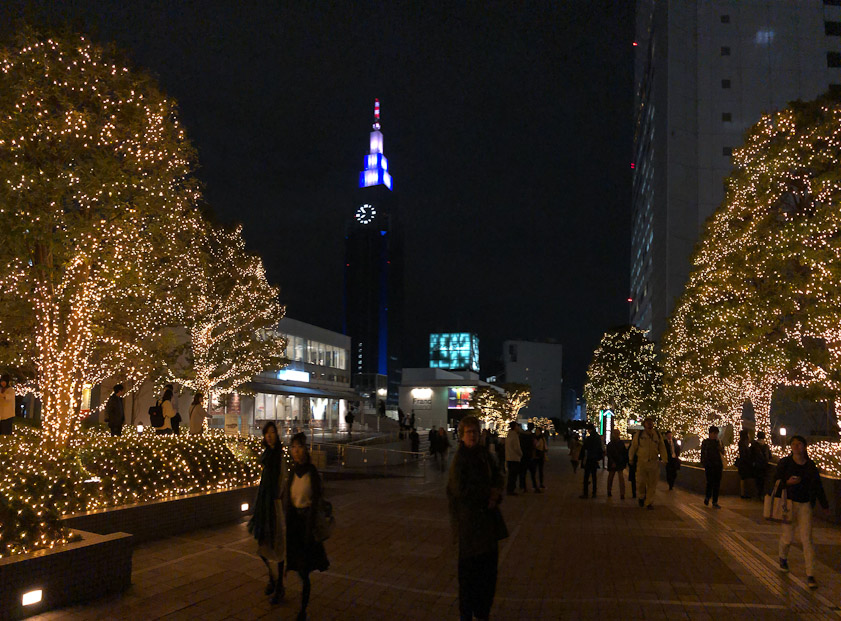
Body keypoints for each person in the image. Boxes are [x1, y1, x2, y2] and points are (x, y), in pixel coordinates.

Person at [447, 415, 507, 621]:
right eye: (468, 432)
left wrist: (497, 492)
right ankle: (467, 615)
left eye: (475, 431)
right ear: (462, 436)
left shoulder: (486, 456)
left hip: (488, 527)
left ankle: (483, 613)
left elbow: (499, 475)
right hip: (469, 529)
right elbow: (459, 491)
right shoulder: (459, 460)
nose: (472, 435)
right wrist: (487, 495)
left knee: (488, 578)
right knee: (468, 579)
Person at [773, 435, 829, 589]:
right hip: (788, 504)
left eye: (799, 444)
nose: (796, 447)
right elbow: (775, 481)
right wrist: (787, 482)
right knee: (787, 537)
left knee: (807, 539)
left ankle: (810, 574)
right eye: (794, 444)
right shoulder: (785, 463)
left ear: (804, 447)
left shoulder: (810, 465)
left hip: (805, 505)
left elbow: (818, 486)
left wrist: (824, 505)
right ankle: (783, 557)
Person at [285, 432, 330, 620]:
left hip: (307, 528)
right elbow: (289, 500)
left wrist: (310, 526)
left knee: (304, 571)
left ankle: (303, 610)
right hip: (294, 526)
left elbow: (317, 500)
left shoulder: (312, 472)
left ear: (306, 449)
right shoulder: (292, 472)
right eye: (293, 447)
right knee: (298, 569)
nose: (296, 451)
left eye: (299, 447)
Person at [248, 421, 290, 605]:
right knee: (262, 546)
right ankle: (273, 579)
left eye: (272, 432)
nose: (270, 435)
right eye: (267, 433)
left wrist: (277, 499)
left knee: (278, 545)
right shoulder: (266, 455)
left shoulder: (279, 456)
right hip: (264, 504)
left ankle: (279, 584)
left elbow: (282, 479)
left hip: (274, 504)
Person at [629, 416, 666, 509]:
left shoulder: (657, 434)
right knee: (641, 482)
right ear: (644, 424)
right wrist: (631, 458)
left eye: (651, 422)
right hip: (642, 462)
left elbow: (662, 447)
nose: (650, 424)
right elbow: (634, 446)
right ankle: (641, 496)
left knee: (652, 484)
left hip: (653, 462)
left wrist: (665, 458)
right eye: (648, 422)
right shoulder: (640, 434)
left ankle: (649, 502)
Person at [700, 426, 725, 508]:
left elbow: (723, 452)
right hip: (709, 465)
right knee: (709, 482)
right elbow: (703, 453)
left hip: (718, 466)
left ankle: (715, 501)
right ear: (710, 433)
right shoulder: (706, 442)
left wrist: (720, 447)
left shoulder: (719, 442)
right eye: (714, 434)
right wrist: (704, 463)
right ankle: (707, 497)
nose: (715, 435)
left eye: (716, 434)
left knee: (717, 483)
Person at [579, 423, 603, 499]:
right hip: (595, 458)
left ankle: (586, 493)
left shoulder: (589, 438)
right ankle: (594, 493)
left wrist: (581, 457)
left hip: (589, 458)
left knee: (586, 476)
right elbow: (600, 448)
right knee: (594, 476)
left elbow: (585, 447)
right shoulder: (598, 437)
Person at [606, 428, 628, 499]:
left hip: (617, 462)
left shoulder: (611, 444)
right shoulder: (619, 443)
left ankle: (612, 491)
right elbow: (624, 453)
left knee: (613, 477)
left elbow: (609, 453)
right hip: (618, 462)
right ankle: (621, 493)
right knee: (617, 478)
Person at [750, 431, 772, 497]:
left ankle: (759, 493)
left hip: (756, 465)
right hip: (764, 465)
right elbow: (770, 456)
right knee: (763, 480)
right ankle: (762, 493)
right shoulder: (766, 446)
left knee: (758, 480)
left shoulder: (754, 445)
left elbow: (751, 455)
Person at [519, 422, 539, 493]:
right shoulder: (532, 436)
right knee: (533, 473)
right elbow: (536, 445)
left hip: (523, 455)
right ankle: (535, 487)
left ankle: (523, 487)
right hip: (530, 456)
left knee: (523, 473)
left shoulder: (521, 435)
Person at [504, 422, 523, 496]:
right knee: (513, 475)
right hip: (514, 458)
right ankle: (511, 490)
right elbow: (516, 448)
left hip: (508, 457)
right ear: (515, 427)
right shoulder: (515, 436)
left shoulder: (508, 435)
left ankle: (509, 489)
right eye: (517, 426)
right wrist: (521, 454)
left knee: (510, 475)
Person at [736, 429, 754, 499]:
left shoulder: (741, 443)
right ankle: (744, 494)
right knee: (744, 478)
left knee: (743, 478)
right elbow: (745, 454)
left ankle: (743, 493)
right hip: (744, 464)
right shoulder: (744, 444)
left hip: (742, 463)